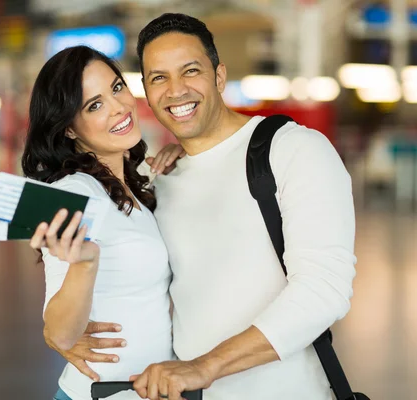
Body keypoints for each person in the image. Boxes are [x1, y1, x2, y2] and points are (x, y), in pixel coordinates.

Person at [44, 13, 358, 400]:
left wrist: (203, 367)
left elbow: (324, 290)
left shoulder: (296, 150)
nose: (176, 90)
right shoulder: (160, 179)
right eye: (159, 77)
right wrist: (58, 333)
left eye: (190, 71)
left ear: (219, 76)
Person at [21, 46, 176, 400]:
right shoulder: (77, 190)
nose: (118, 107)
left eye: (117, 88)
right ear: (70, 130)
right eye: (94, 105)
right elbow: (59, 333)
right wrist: (85, 263)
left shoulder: (130, 188)